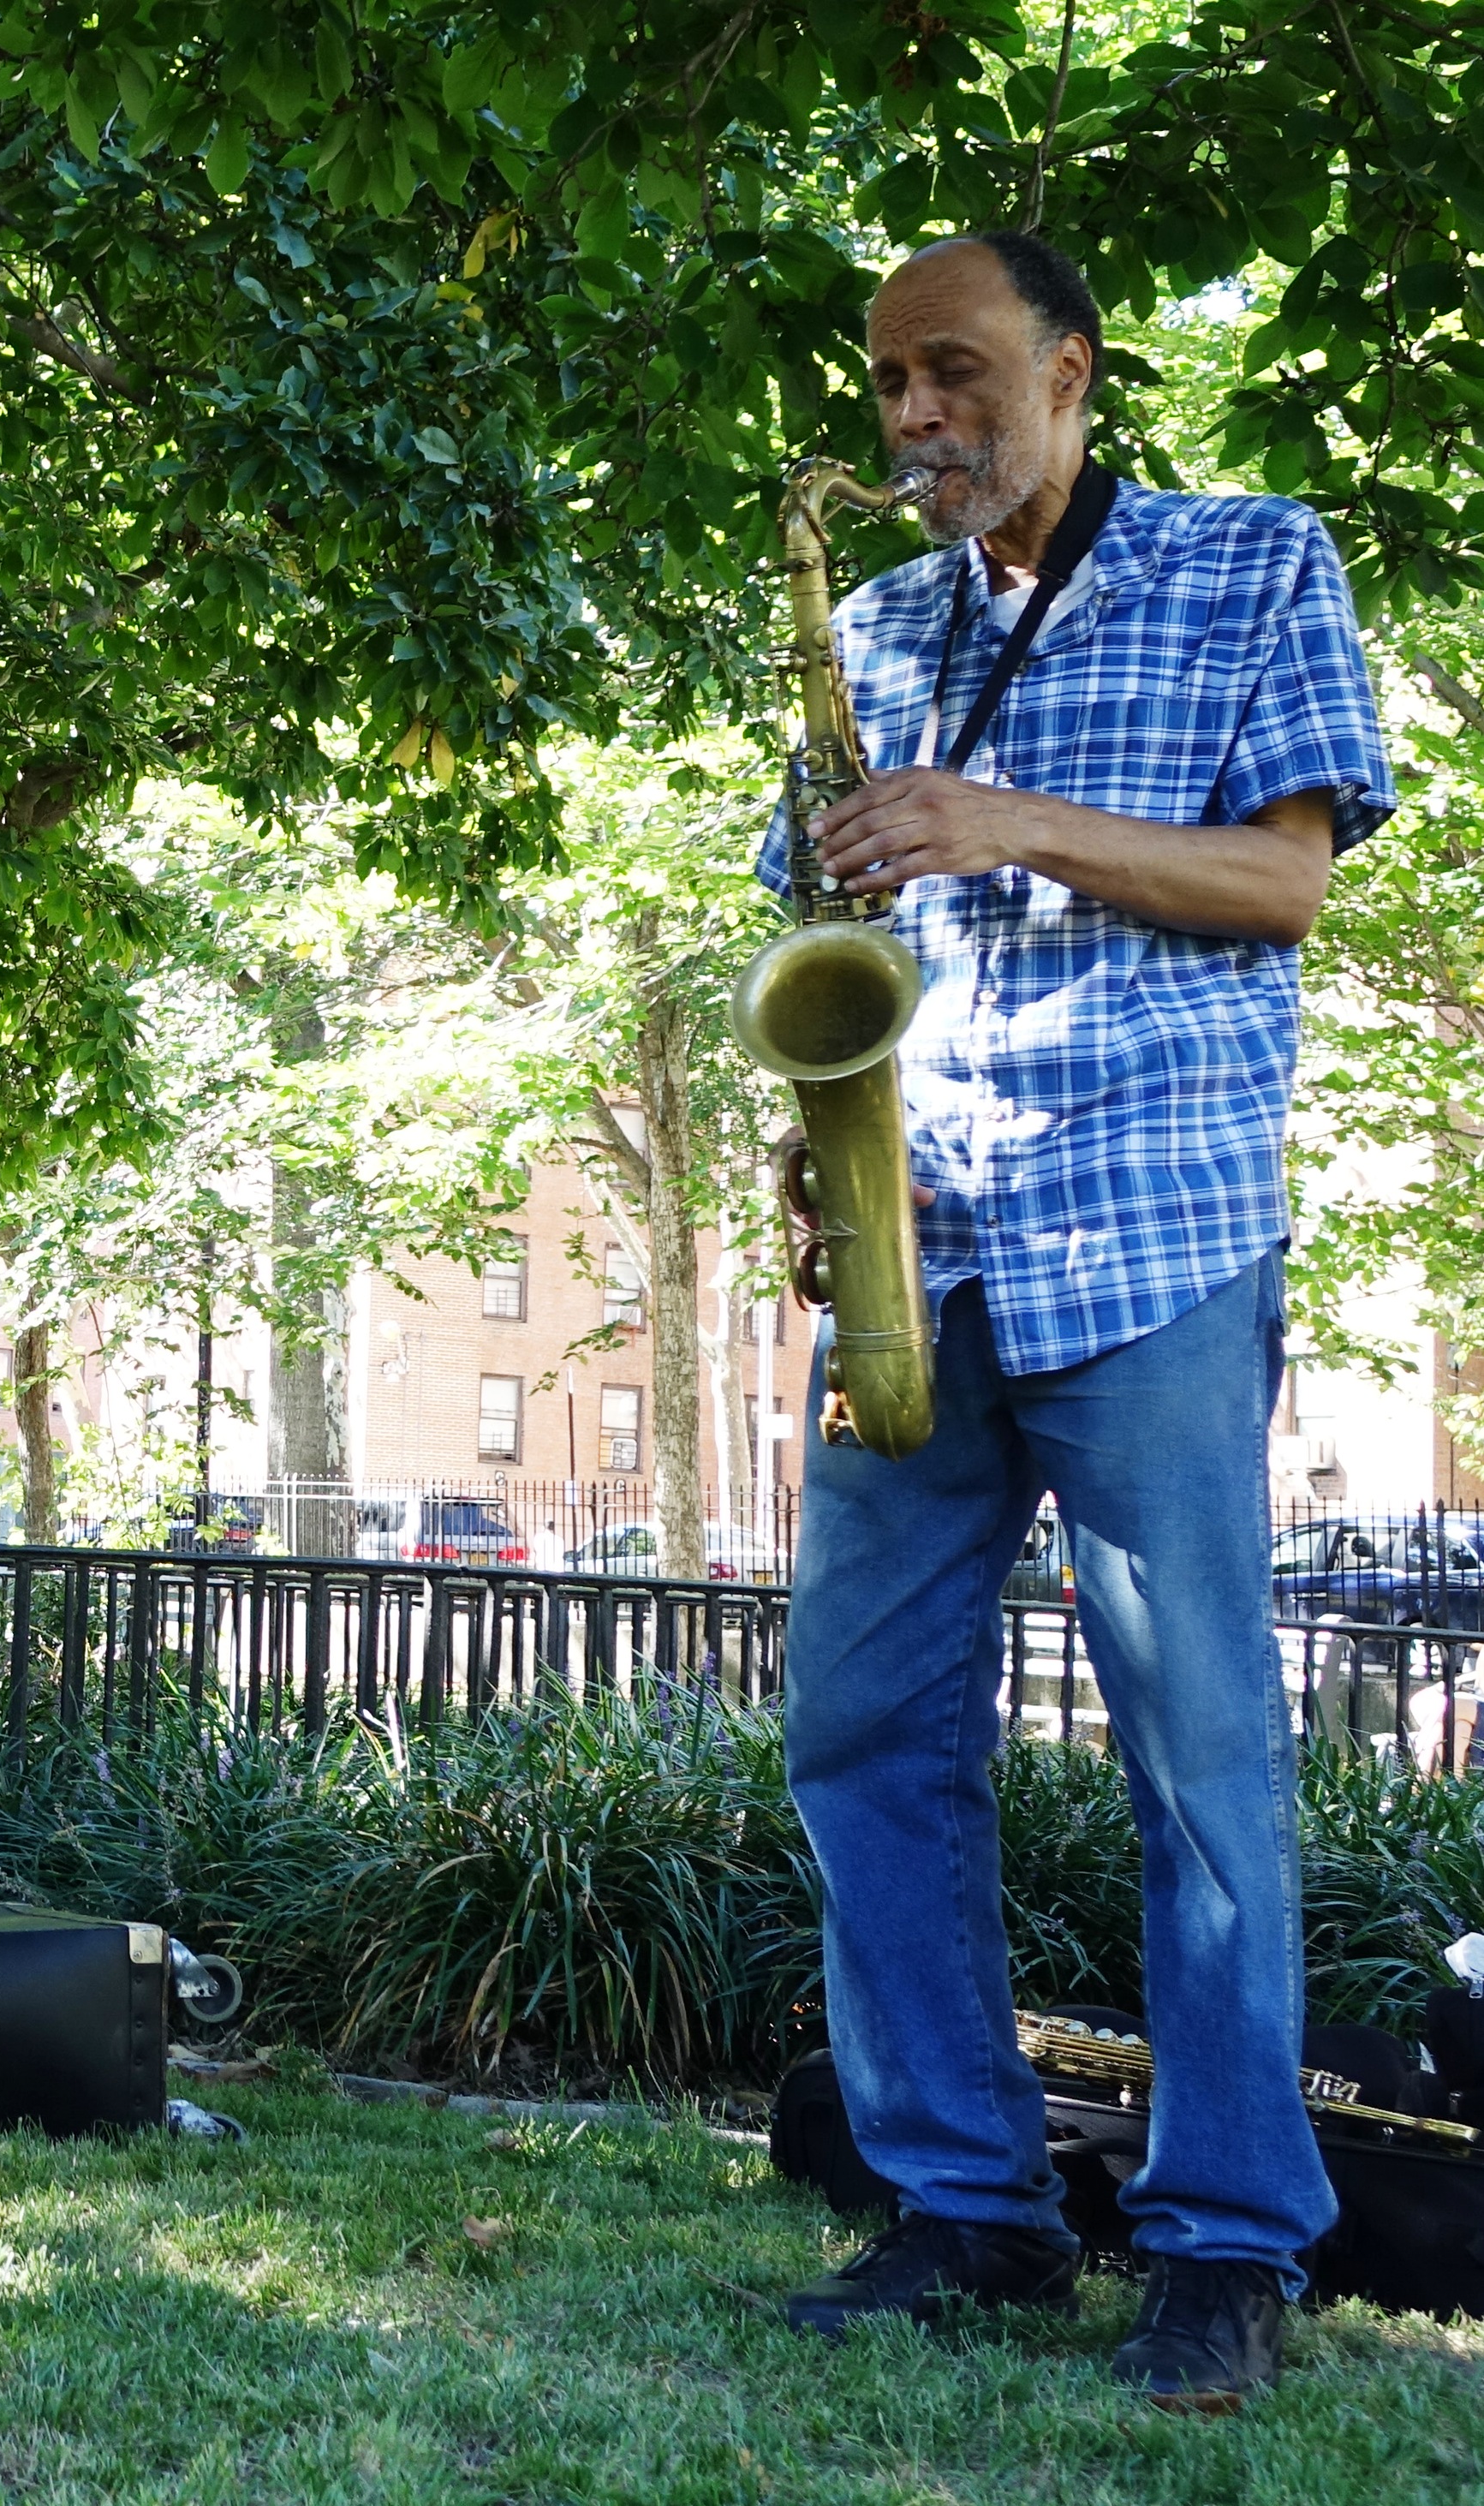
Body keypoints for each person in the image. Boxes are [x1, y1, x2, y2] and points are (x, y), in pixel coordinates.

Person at [766, 230, 1394, 2408]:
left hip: (1150, 1235)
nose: (915, 420)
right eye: (887, 391)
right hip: (913, 1243)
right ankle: (968, 2200)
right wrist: (818, 1136)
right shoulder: (870, 627)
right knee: (852, 1727)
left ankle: (1225, 2236)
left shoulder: (1252, 564)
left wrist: (993, 818)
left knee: (1198, 1759)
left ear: (1072, 371)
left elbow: (1288, 880)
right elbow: (830, 936)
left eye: (953, 375)